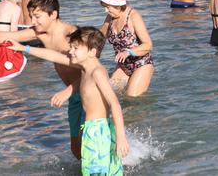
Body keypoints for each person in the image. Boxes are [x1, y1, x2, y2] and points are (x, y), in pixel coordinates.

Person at [0, 0, 84, 159]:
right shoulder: (40, 33)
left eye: (37, 16)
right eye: (31, 16)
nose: (32, 21)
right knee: (76, 149)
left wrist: (67, 91)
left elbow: (91, 71)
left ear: (53, 14)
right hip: (74, 96)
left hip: (88, 92)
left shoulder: (72, 35)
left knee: (92, 141)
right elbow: (6, 36)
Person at [7, 27, 130, 172]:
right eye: (71, 47)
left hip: (98, 131)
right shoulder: (86, 69)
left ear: (92, 52)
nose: (70, 51)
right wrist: (23, 48)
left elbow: (114, 104)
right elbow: (52, 55)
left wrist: (121, 138)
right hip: (93, 129)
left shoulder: (97, 72)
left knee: (96, 171)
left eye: (76, 48)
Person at [97, 0, 154, 97]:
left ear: (118, 5)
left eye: (108, 7)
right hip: (123, 66)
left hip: (141, 64)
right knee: (107, 95)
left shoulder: (133, 16)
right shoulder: (111, 16)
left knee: (131, 99)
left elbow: (148, 45)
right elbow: (100, 37)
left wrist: (129, 52)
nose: (106, 11)